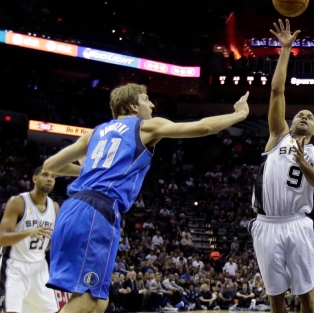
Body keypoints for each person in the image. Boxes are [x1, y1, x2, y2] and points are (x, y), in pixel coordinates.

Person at [42, 83, 250, 313]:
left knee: (98, 300)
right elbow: (203, 127)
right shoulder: (144, 126)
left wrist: (92, 170)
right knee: (89, 300)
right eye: (146, 100)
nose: (151, 104)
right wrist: (239, 114)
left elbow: (50, 165)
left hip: (72, 207)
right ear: (133, 106)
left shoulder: (95, 133)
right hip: (97, 210)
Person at [250, 19, 314, 313]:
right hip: (266, 224)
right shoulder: (276, 135)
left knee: (306, 295)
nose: (304, 115)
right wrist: (285, 50)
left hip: (297, 224)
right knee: (276, 298)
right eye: (300, 113)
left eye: (310, 116)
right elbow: (277, 91)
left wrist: (301, 162)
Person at [0, 166, 60, 313]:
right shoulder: (18, 202)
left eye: (53, 177)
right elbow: (1, 239)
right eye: (45, 175)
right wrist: (27, 233)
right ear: (34, 179)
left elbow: (50, 242)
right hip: (15, 266)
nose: (49, 179)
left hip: (40, 267)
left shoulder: (54, 207)